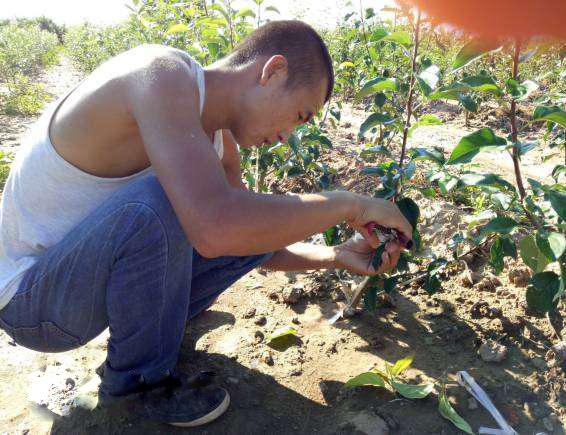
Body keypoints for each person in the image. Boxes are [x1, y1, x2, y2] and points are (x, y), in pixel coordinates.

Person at [0, 20, 411, 427]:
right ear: (273, 71)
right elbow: (216, 229)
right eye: (300, 115)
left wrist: (336, 256)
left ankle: (158, 329)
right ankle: (137, 384)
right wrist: (349, 206)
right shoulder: (159, 75)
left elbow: (246, 242)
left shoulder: (217, 142)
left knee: (243, 218)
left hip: (79, 288)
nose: (289, 135)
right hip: (32, 303)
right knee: (162, 204)